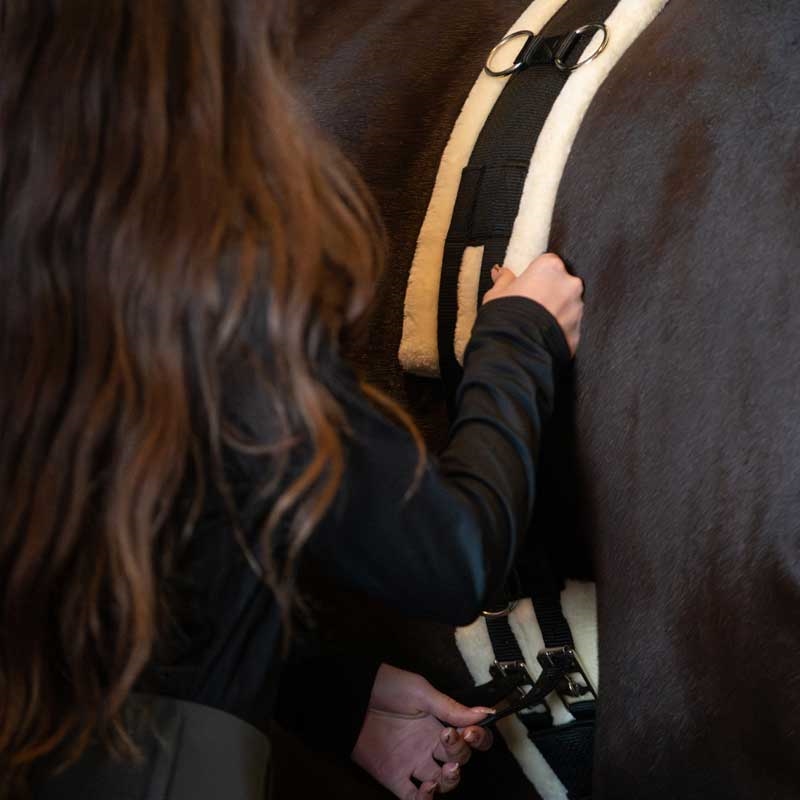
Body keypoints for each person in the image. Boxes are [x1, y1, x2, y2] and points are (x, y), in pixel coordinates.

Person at [0, 1, 583, 798]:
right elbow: (456, 559)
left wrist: (337, 701)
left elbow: (133, 586)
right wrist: (520, 337)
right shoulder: (207, 310)